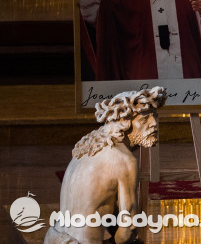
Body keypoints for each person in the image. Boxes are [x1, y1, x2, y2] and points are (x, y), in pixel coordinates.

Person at [45, 86, 166, 244]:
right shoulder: (124, 160)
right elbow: (128, 228)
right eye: (144, 119)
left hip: (54, 237)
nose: (154, 124)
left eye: (155, 117)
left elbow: (101, 205)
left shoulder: (87, 145)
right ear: (123, 122)